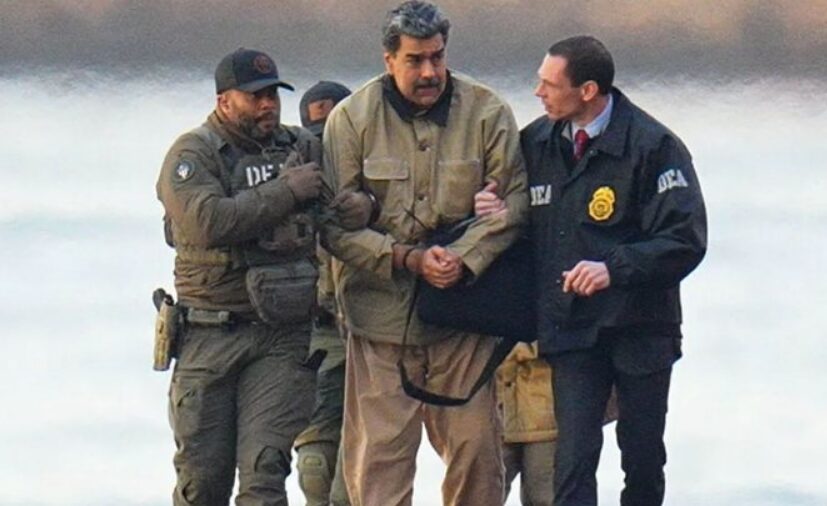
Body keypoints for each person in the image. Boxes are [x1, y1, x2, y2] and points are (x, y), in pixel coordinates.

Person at [321, 2, 528, 505]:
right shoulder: (350, 120)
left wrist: (463, 257)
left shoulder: (488, 113)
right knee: (378, 471)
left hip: (463, 323)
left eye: (437, 57)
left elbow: (515, 204)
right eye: (415, 60)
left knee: (478, 455)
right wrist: (406, 258)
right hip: (379, 326)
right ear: (389, 59)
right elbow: (332, 227)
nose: (430, 71)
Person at [156, 48, 369, 506]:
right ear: (224, 101)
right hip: (209, 335)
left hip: (282, 337)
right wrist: (285, 191)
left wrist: (359, 207)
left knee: (265, 474)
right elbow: (208, 222)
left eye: (273, 94)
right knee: (202, 483)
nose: (267, 104)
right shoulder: (193, 155)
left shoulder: (300, 148)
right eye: (254, 97)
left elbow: (340, 207)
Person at [522, 36, 707, 505]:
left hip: (641, 327)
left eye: (549, 85)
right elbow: (511, 215)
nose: (538, 93)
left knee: (642, 458)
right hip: (572, 329)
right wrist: (491, 204)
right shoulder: (536, 143)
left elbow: (685, 240)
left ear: (587, 90)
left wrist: (613, 268)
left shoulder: (654, 146)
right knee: (572, 460)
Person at [293, 80, 353, 506]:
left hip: (375, 330)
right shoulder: (290, 188)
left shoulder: (378, 182)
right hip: (316, 332)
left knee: (360, 474)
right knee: (314, 467)